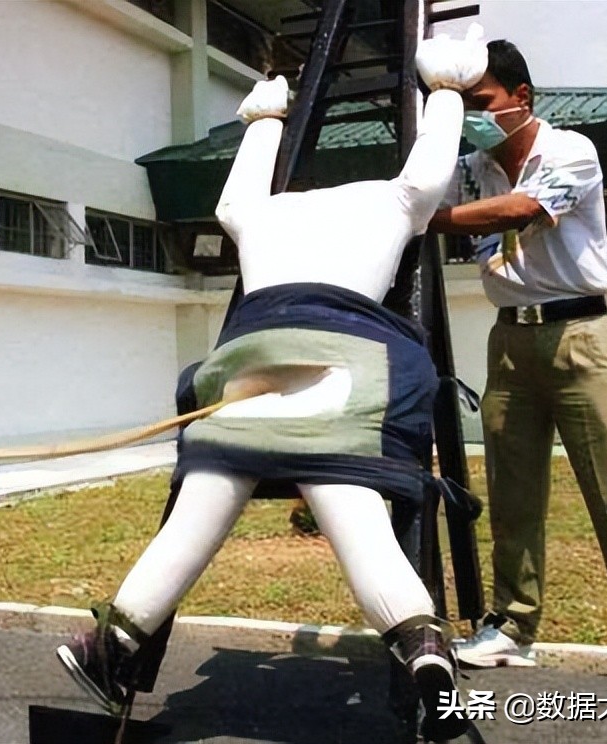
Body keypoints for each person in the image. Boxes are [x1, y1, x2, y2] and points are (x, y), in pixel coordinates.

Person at [53, 27, 489, 742]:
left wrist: (265, 120)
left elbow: (231, 206)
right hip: (345, 365)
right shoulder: (390, 201)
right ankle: (422, 646)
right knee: (357, 515)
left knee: (200, 506)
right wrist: (444, 90)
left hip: (250, 367)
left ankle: (116, 641)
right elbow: (428, 174)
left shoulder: (263, 213)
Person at [428, 40, 607, 694]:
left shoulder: (570, 150)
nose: (474, 117)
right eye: (464, 106)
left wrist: (430, 219)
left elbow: (525, 210)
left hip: (579, 336)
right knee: (513, 496)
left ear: (521, 98)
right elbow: (412, 191)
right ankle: (511, 628)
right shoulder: (470, 169)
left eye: (482, 102)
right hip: (509, 341)